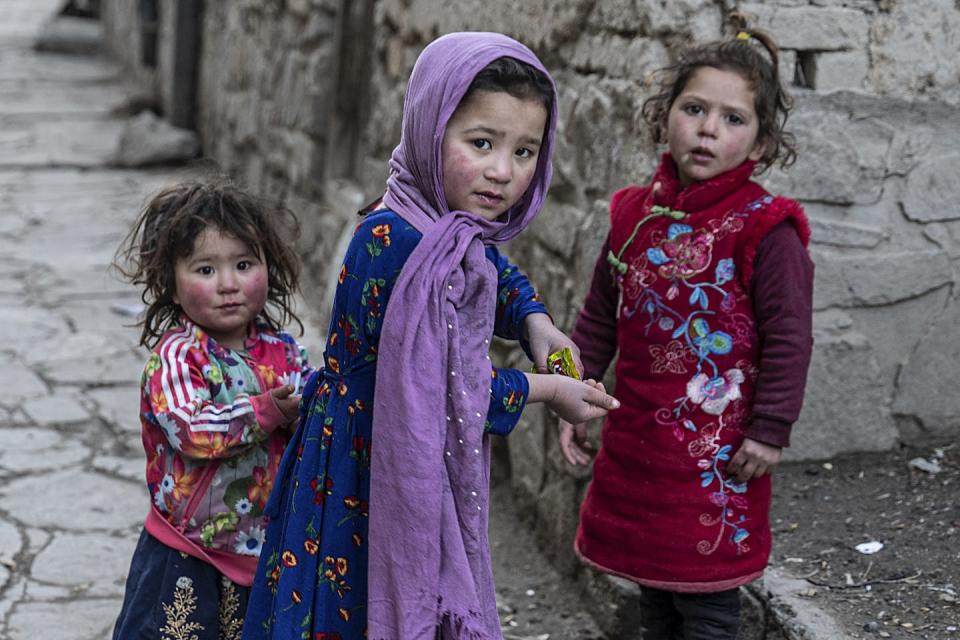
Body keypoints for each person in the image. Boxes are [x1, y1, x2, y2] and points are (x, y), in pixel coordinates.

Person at [242, 31, 619, 640]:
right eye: (481, 143)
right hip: (367, 464)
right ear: (429, 128)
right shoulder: (398, 244)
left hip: (383, 447)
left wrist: (535, 321)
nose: (504, 171)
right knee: (363, 606)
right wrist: (548, 390)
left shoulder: (443, 226)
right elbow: (453, 392)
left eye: (526, 151)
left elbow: (493, 271)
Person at [559, 22, 815, 640]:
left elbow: (790, 337)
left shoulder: (765, 229)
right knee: (653, 592)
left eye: (734, 119)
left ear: (760, 145)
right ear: (663, 117)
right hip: (638, 440)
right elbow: (599, 317)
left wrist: (770, 429)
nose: (708, 129)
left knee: (707, 605)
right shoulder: (631, 214)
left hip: (719, 454)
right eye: (695, 109)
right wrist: (571, 390)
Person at [111, 181, 312, 639]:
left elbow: (309, 419)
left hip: (261, 547)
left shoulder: (284, 353)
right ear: (172, 282)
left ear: (268, 267)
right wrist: (265, 412)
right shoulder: (178, 358)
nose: (228, 285)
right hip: (185, 551)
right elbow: (191, 430)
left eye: (244, 265)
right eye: (205, 268)